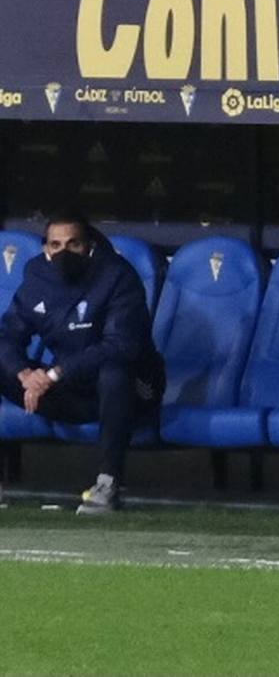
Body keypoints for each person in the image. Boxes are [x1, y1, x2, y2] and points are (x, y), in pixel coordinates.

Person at [0, 212, 165, 514]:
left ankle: (108, 484)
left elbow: (121, 345)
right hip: (72, 392)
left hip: (137, 390)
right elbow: (8, 336)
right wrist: (25, 374)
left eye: (73, 244)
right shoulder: (37, 276)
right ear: (46, 249)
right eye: (56, 245)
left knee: (114, 371)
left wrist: (53, 373)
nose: (64, 252)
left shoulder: (117, 275)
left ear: (88, 245)